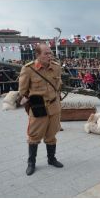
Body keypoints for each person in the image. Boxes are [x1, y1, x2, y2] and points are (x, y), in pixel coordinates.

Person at [19, 43, 63, 176]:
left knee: (52, 134)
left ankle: (51, 159)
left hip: (54, 107)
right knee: (34, 136)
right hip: (39, 108)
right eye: (46, 54)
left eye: (50, 53)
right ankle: (31, 163)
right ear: (38, 55)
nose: (49, 56)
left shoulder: (56, 68)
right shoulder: (28, 69)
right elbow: (23, 91)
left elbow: (58, 85)